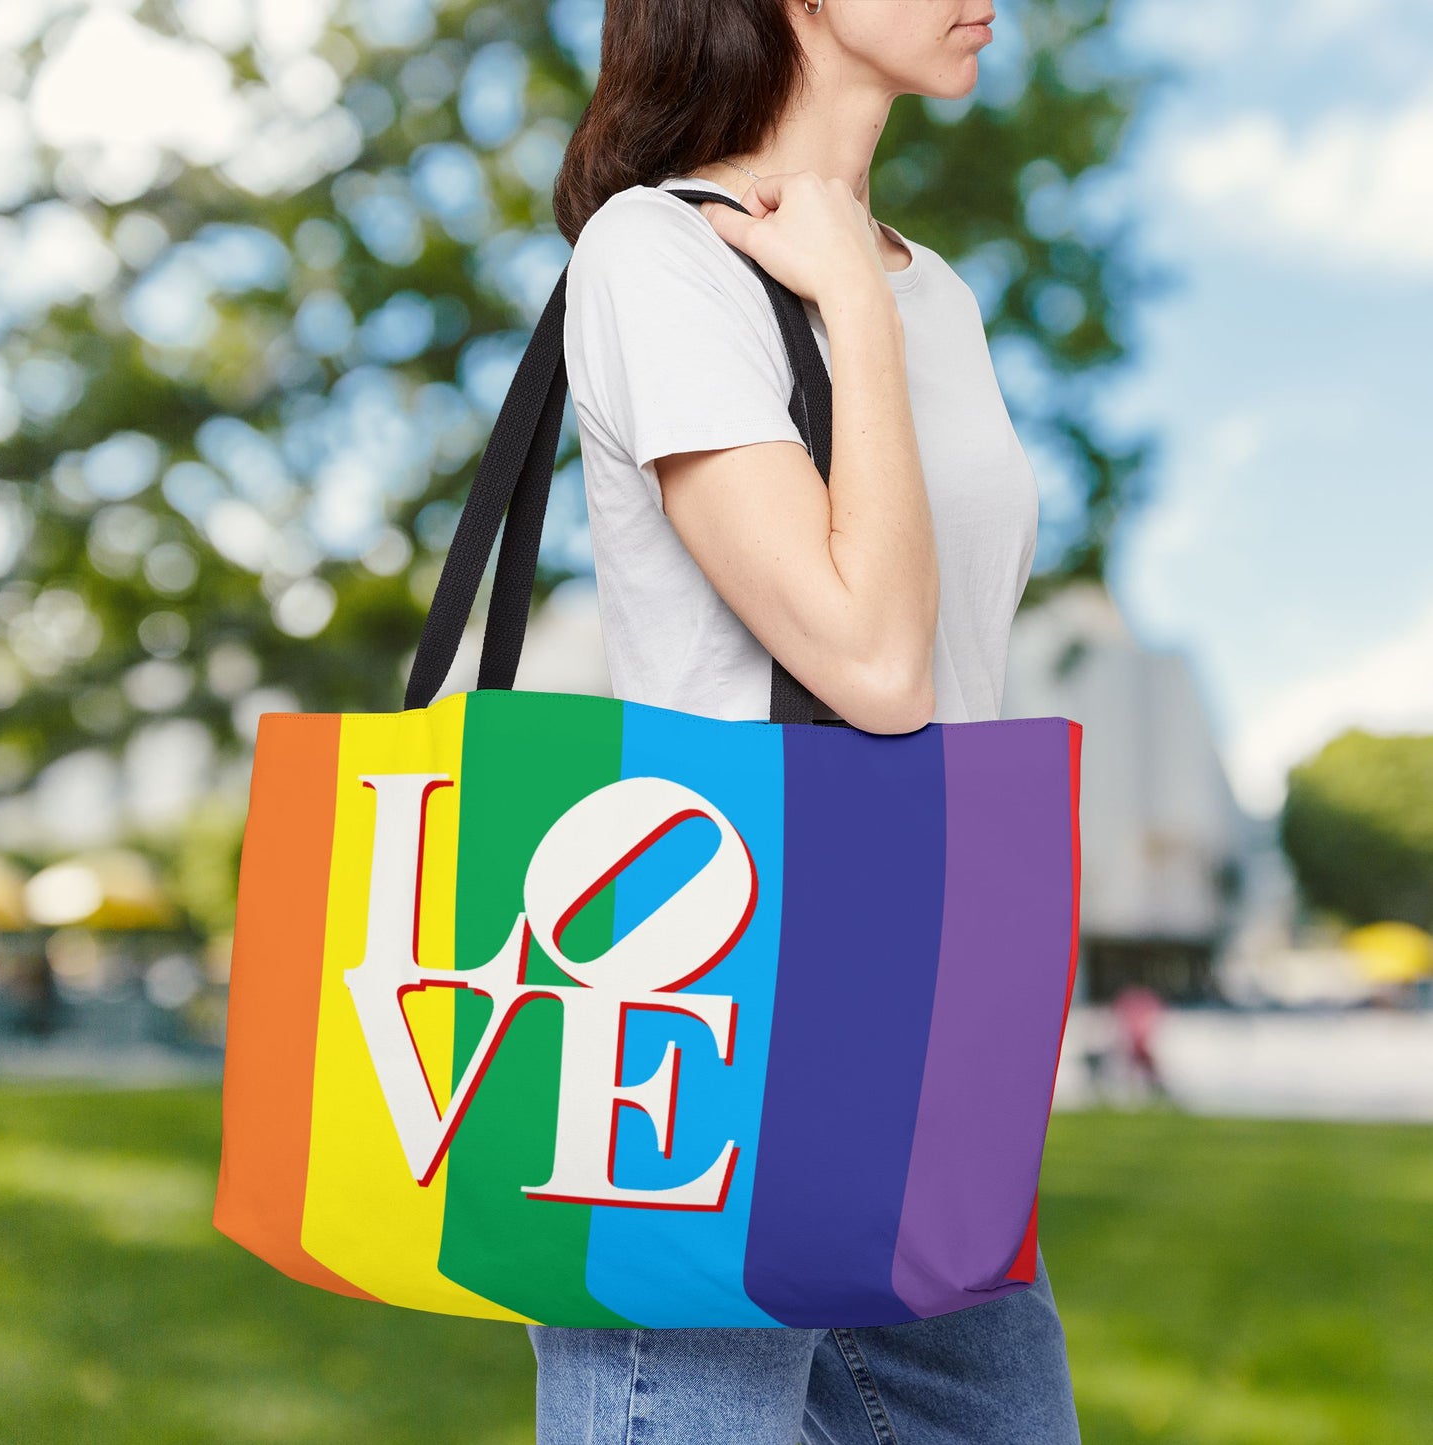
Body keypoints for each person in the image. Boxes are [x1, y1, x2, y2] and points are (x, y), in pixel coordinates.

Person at [532, 1, 1081, 1440]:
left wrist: (869, 293)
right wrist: (846, 308)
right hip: (700, 1021)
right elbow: (871, 659)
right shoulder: (656, 252)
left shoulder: (934, 292)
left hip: (915, 1015)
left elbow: (951, 666)